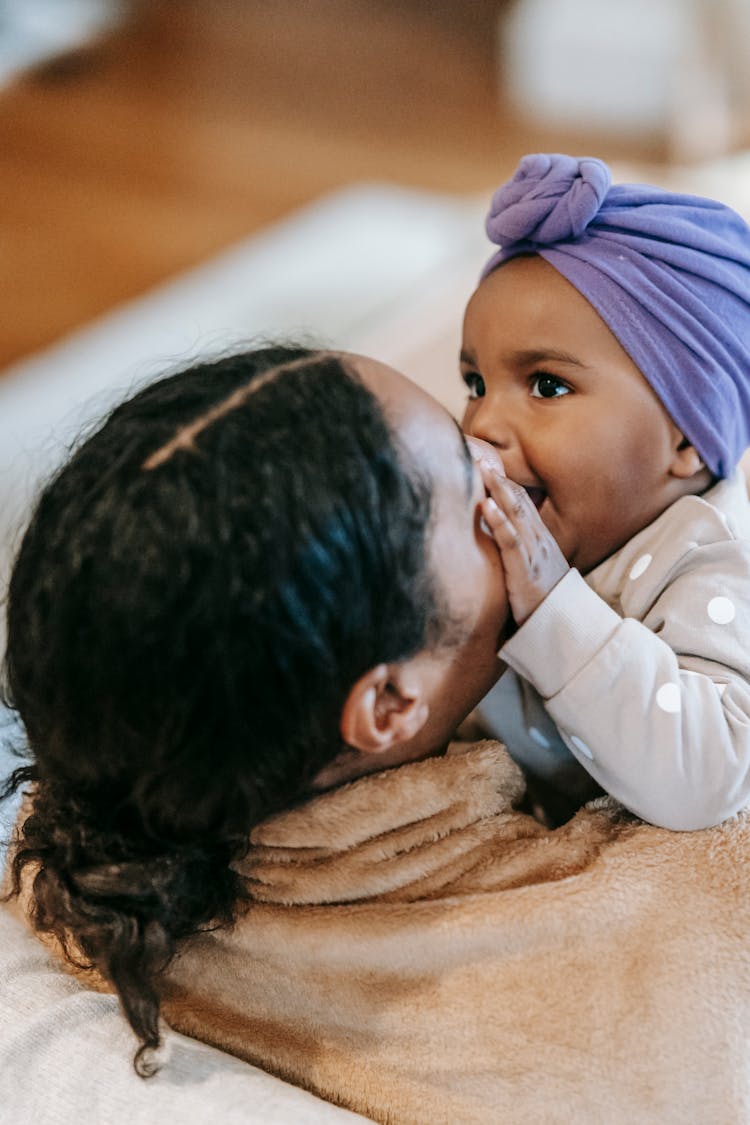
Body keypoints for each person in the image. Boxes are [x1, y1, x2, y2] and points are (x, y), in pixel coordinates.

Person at [3, 343, 750, 1124]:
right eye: (469, 487)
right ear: (391, 703)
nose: (497, 450)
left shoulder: (85, 842)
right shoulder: (673, 926)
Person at [461, 152, 750, 831]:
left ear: (683, 436)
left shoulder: (709, 565)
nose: (481, 423)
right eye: (475, 383)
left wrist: (552, 607)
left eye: (546, 385)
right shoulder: (515, 522)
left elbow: (708, 778)